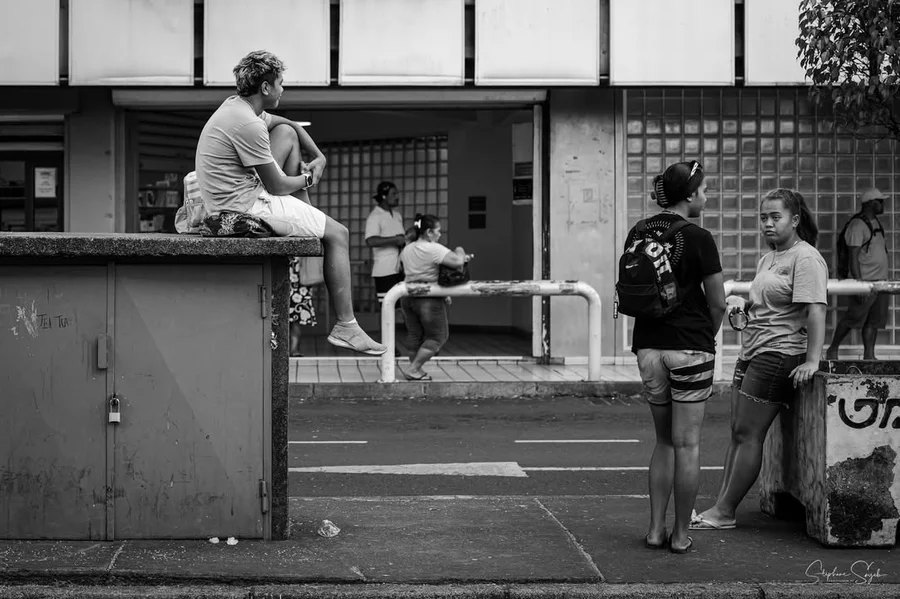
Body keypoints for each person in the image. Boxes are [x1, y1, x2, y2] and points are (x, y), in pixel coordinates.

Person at [195, 50, 385, 356]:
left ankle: (306, 214)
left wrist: (319, 156)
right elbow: (277, 185)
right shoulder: (248, 125)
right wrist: (310, 178)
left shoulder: (237, 107)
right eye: (281, 83)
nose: (284, 89)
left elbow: (289, 125)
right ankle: (346, 326)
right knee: (339, 234)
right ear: (266, 88)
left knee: (285, 133)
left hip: (238, 196)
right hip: (244, 208)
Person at [691, 188, 827, 532]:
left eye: (775, 217)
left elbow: (816, 310)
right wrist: (742, 304)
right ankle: (720, 506)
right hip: (753, 349)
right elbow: (764, 304)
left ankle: (725, 511)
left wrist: (812, 360)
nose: (767, 223)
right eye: (763, 217)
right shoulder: (770, 257)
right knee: (738, 431)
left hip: (779, 354)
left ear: (795, 220)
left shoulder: (806, 258)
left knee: (751, 434)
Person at [627, 160, 726, 554]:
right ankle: (681, 535)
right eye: (703, 190)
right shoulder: (699, 237)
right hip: (689, 348)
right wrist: (704, 339)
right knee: (688, 445)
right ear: (689, 195)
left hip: (648, 347)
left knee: (664, 442)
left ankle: (654, 530)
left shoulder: (637, 231)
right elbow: (717, 303)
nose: (706, 196)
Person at [399, 213, 471, 381]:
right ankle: (414, 368)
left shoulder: (407, 248)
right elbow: (457, 262)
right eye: (438, 231)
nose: (440, 234)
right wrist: (460, 250)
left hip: (408, 296)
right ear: (429, 232)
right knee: (438, 336)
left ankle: (414, 369)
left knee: (415, 334)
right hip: (428, 298)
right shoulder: (433, 248)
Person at [826, 187, 889, 360]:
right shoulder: (857, 225)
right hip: (865, 282)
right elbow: (853, 256)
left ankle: (869, 355)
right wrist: (859, 285)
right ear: (870, 203)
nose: (883, 205)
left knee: (874, 320)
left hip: (880, 281)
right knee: (853, 317)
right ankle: (833, 349)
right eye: (880, 201)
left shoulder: (874, 221)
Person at [365, 181, 407, 304]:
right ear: (384, 196)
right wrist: (395, 240)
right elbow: (370, 241)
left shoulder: (397, 215)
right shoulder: (375, 216)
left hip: (400, 269)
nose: (397, 197)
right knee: (386, 307)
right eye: (393, 194)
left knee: (403, 307)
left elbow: (401, 238)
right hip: (385, 270)